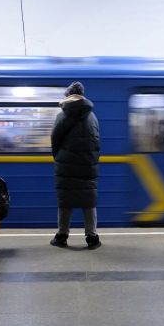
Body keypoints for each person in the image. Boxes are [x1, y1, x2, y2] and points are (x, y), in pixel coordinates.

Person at [50, 82, 101, 249]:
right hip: (87, 164)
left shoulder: (62, 115)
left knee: (66, 201)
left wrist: (59, 157)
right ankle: (92, 237)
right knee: (88, 201)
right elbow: (96, 143)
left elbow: (55, 140)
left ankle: (62, 236)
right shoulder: (92, 117)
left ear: (68, 95)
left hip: (65, 165)